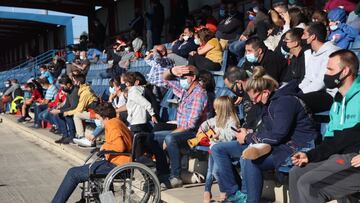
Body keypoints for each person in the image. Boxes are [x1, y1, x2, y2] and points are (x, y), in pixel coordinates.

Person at [212, 66, 319, 203]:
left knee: (249, 159)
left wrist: (247, 137)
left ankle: (250, 200)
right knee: (218, 149)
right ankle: (233, 193)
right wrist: (249, 133)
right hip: (272, 144)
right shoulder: (269, 102)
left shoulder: (285, 102)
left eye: (255, 98)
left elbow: (278, 134)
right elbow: (268, 130)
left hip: (295, 147)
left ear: (266, 92)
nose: (254, 102)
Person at [289, 50, 360, 203]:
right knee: (296, 172)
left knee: (309, 185)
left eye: (330, 70)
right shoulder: (337, 102)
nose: (326, 74)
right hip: (338, 158)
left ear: (345, 71)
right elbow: (331, 141)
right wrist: (310, 155)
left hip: (355, 159)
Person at [51, 102, 133, 203]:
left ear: (105, 118)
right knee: (83, 171)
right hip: (116, 162)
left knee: (73, 173)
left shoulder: (112, 125)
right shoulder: (117, 122)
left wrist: (104, 147)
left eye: (99, 118)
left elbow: (120, 147)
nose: (98, 121)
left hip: (117, 165)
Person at [147, 65, 208, 189]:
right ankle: (164, 172)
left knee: (170, 139)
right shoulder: (185, 91)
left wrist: (170, 135)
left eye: (184, 77)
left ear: (193, 77)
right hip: (182, 129)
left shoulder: (199, 94)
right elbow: (161, 80)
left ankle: (176, 177)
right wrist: (171, 71)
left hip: (195, 133)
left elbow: (190, 124)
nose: (181, 79)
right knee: (151, 137)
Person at [201, 96, 241, 203]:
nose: (215, 110)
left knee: (217, 171)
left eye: (217, 108)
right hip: (214, 149)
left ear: (223, 109)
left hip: (224, 151)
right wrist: (201, 129)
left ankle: (226, 192)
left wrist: (219, 136)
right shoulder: (217, 119)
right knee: (214, 171)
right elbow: (207, 123)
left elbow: (231, 134)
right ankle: (228, 191)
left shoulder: (231, 120)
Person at [298, 22, 340, 112]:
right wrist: (298, 89)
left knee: (295, 102)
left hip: (330, 95)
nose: (302, 37)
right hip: (316, 92)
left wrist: (300, 94)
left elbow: (321, 82)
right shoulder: (314, 53)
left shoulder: (331, 53)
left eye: (304, 34)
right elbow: (308, 78)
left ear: (312, 37)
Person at [51, 76, 79, 144]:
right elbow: (67, 104)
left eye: (63, 87)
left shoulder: (75, 91)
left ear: (68, 84)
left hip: (79, 110)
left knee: (66, 115)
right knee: (58, 114)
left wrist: (59, 111)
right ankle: (65, 135)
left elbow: (73, 107)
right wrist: (58, 109)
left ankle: (72, 137)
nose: (62, 88)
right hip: (73, 109)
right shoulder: (69, 91)